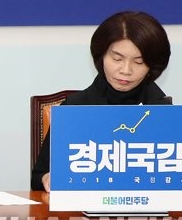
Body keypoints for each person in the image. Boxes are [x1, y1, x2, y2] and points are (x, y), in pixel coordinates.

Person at [31, 11, 172, 192]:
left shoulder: (163, 111)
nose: (126, 70)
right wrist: (47, 178)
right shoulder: (75, 108)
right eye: (117, 59)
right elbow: (38, 177)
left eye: (139, 62)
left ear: (152, 66)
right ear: (102, 56)